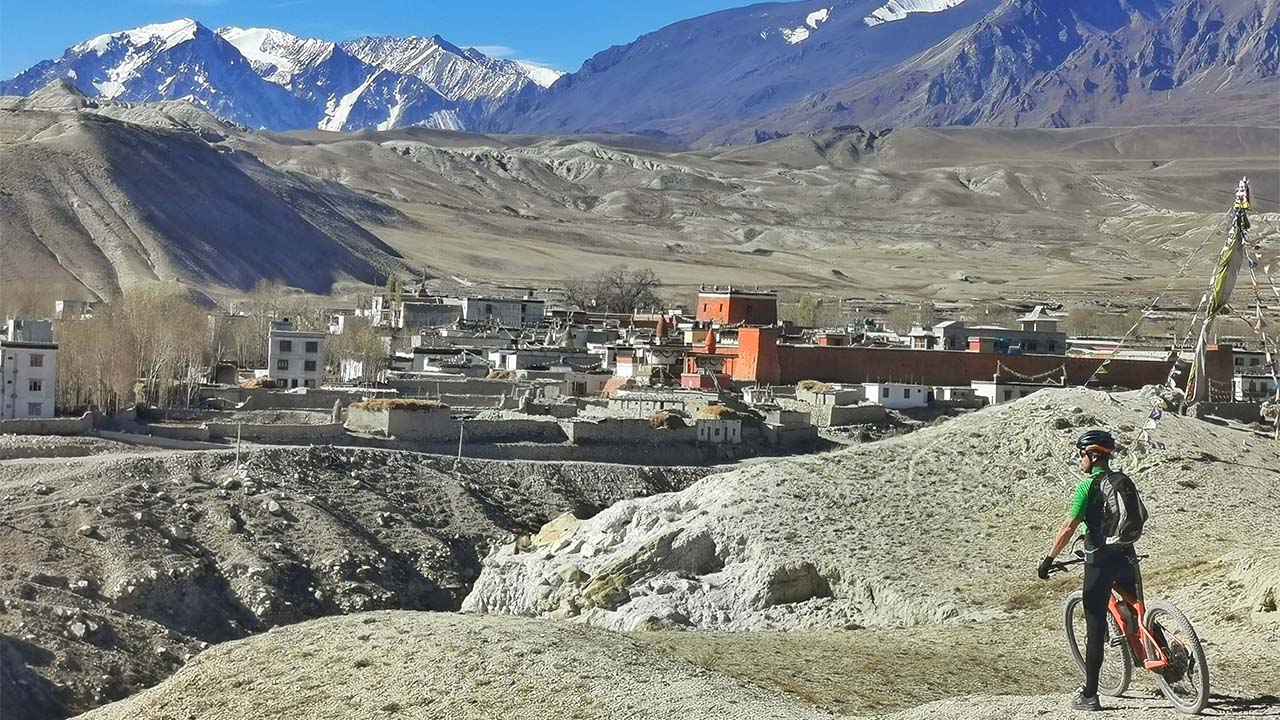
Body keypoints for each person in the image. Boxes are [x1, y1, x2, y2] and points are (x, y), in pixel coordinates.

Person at [1037, 429, 1142, 712]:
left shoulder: (1087, 487)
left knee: (1094, 624)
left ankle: (1090, 694)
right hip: (1126, 553)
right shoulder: (1123, 480)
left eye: (1081, 454)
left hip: (1099, 558)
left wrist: (1048, 559)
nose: (1079, 459)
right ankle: (1163, 655)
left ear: (1092, 455)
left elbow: (1069, 527)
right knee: (1136, 608)